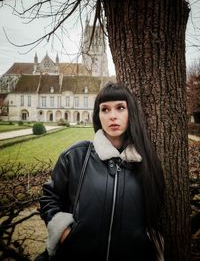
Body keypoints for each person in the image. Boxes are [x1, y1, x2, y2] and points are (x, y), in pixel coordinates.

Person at [39, 82, 165, 261]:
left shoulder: (147, 163)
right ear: (98, 116)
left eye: (120, 108)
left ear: (131, 113)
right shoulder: (75, 156)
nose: (112, 116)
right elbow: (50, 198)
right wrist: (65, 233)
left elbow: (156, 212)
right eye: (105, 109)